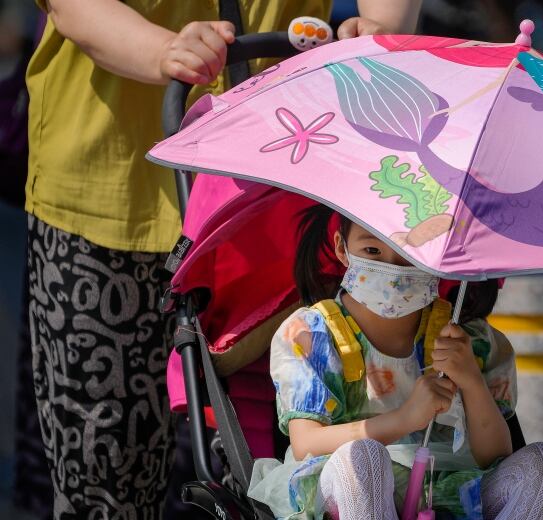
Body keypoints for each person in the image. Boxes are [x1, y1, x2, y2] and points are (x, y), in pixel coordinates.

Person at [24, 1, 423, 518]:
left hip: (277, 204)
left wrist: (380, 34)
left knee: (255, 478)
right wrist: (167, 50)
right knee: (103, 481)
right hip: (110, 194)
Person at [249, 205, 543, 520]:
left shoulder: (469, 339)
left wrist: (472, 381)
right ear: (342, 248)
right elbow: (306, 444)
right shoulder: (311, 334)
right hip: (349, 490)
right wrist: (405, 418)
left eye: (409, 255)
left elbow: (496, 456)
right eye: (373, 251)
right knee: (362, 458)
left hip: (454, 491)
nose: (394, 271)